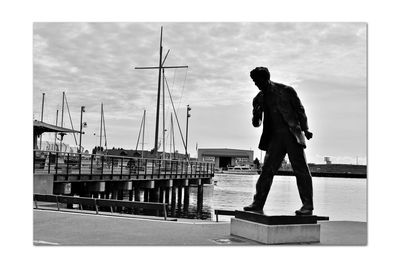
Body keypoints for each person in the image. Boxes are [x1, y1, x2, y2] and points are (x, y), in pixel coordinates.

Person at [244, 67, 314, 215]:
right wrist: (256, 113)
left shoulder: (286, 90)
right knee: (266, 172)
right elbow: (257, 124)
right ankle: (257, 203)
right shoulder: (258, 99)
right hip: (275, 138)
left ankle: (307, 205)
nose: (256, 84)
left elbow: (300, 110)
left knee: (301, 170)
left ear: (266, 78)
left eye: (258, 81)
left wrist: (306, 129)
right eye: (254, 82)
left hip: (291, 135)